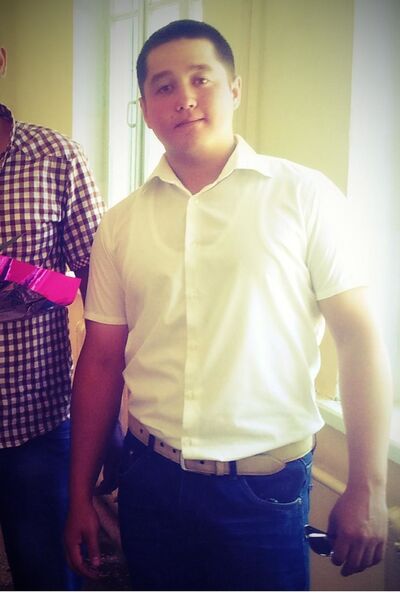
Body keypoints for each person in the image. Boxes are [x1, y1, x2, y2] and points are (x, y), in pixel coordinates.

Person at [64, 20, 392, 591]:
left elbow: (359, 338)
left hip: (264, 489)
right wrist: (78, 495)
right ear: (145, 109)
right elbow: (100, 359)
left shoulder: (304, 196)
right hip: (150, 479)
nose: (185, 98)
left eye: (201, 78)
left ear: (234, 89)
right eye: (164, 86)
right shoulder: (120, 224)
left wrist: (369, 485)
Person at [0, 47, 105, 590]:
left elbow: (98, 286)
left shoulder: (56, 156)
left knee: (46, 573)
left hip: (35, 420)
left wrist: (18, 272)